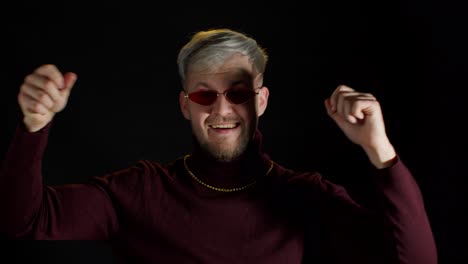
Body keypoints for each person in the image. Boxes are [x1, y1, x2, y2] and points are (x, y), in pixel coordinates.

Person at [0, 28, 437, 264]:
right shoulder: (138, 191)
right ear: (185, 105)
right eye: (205, 95)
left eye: (239, 93)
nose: (222, 110)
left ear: (261, 101)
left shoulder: (304, 195)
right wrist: (34, 127)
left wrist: (381, 152)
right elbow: (22, 221)